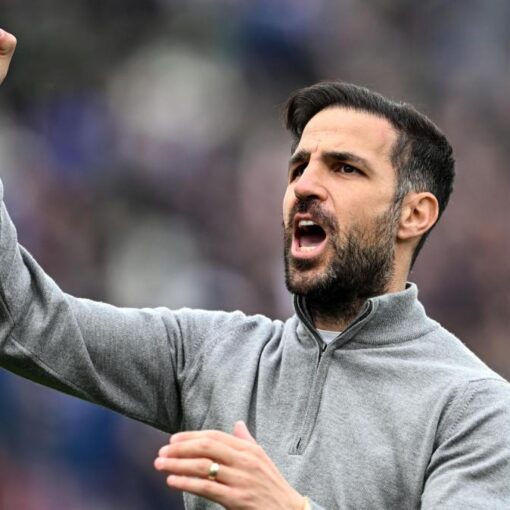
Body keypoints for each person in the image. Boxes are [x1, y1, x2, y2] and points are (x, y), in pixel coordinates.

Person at [0, 28, 509, 510]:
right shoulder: (210, 354)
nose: (304, 185)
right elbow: (22, 321)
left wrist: (288, 506)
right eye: (299, 166)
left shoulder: (472, 407)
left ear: (413, 214)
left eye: (344, 168)